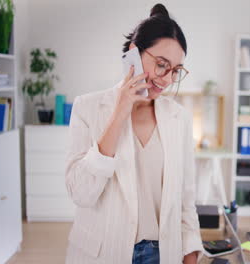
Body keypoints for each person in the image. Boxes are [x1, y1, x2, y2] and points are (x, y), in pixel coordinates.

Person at [64, 3, 203, 264]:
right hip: (104, 253)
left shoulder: (179, 119)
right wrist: (120, 112)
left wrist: (191, 254)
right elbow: (81, 193)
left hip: (162, 254)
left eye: (175, 71)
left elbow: (186, 198)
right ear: (133, 53)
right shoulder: (88, 108)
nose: (166, 80)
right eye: (161, 64)